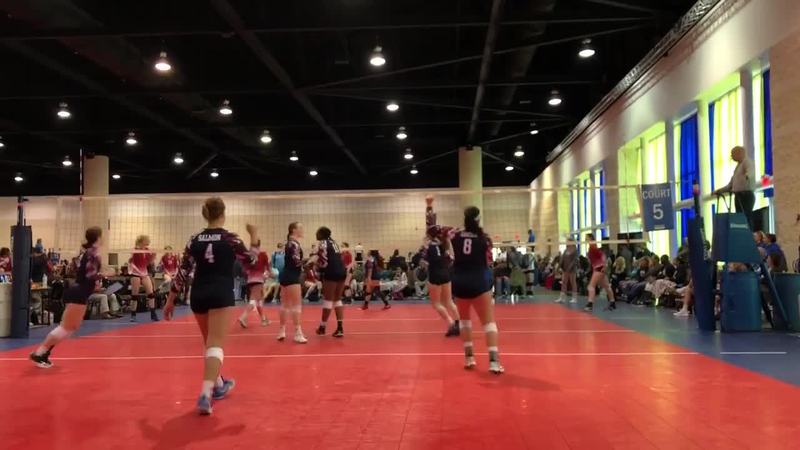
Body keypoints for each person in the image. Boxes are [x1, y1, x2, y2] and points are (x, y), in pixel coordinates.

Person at [164, 197, 258, 415]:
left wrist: (170, 299)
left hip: (198, 294)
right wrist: (254, 236)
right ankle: (205, 394)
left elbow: (183, 272)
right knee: (215, 344)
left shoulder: (194, 239)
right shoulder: (230, 238)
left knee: (209, 343)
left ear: (205, 214)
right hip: (221, 293)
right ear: (223, 214)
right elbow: (252, 262)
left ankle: (218, 384)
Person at [427, 197, 503, 374]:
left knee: (465, 321)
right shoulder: (485, 238)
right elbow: (489, 262)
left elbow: (432, 229)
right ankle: (493, 362)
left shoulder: (455, 233)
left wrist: (429, 207)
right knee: (488, 323)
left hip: (460, 282)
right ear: (478, 219)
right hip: (479, 282)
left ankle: (469, 359)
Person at [30, 227, 106, 368]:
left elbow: (87, 274)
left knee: (71, 327)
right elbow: (90, 274)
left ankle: (43, 353)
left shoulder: (90, 252)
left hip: (80, 292)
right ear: (98, 237)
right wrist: (106, 274)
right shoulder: (93, 253)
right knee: (66, 327)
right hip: (79, 293)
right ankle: (39, 353)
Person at [418, 217, 460, 336]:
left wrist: (424, 262)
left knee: (436, 303)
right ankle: (459, 323)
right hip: (446, 274)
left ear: (429, 235)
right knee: (449, 301)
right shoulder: (443, 244)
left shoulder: (430, 247)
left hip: (435, 276)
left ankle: (451, 323)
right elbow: (450, 258)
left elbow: (426, 262)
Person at [308, 227, 347, 338]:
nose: (316, 234)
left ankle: (322, 327)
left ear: (321, 234)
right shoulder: (334, 243)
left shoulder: (323, 243)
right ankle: (340, 328)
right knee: (337, 299)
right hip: (341, 271)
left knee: (328, 300)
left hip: (331, 272)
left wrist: (314, 264)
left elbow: (324, 263)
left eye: (317, 232)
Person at [277, 222, 307, 343]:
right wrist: (310, 261)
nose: (302, 230)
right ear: (294, 230)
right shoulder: (293, 244)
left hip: (285, 275)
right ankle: (297, 333)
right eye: (300, 228)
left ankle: (282, 331)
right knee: (296, 305)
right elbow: (296, 262)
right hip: (292, 276)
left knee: (284, 305)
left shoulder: (289, 243)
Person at [714, 145, 756, 229]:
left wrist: (747, 176)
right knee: (740, 219)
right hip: (738, 196)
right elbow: (731, 185)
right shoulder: (737, 167)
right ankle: (742, 234)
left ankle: (749, 234)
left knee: (746, 218)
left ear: (739, 153)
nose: (731, 156)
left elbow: (750, 172)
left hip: (745, 195)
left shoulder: (747, 162)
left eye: (732, 154)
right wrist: (719, 191)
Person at [238, 247, 270, 328]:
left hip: (250, 280)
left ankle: (263, 319)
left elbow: (244, 269)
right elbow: (267, 267)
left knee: (258, 300)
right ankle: (243, 317)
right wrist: (268, 274)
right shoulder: (262, 254)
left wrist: (249, 273)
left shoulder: (248, 255)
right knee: (254, 300)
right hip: (258, 279)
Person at [128, 235, 158, 322]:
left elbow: (148, 262)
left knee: (151, 294)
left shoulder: (147, 250)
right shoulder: (135, 249)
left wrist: (153, 256)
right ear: (142, 241)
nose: (148, 242)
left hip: (144, 273)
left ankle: (153, 314)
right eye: (146, 240)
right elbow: (131, 260)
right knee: (135, 295)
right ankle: (133, 315)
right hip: (135, 274)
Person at [584, 233, 616, 312]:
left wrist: (604, 265)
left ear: (590, 238)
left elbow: (602, 255)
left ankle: (590, 304)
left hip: (599, 268)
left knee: (591, 286)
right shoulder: (591, 246)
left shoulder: (593, 246)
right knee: (607, 286)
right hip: (599, 268)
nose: (585, 239)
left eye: (587, 238)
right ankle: (612, 302)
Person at [556, 238, 578, 304]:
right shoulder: (566, 250)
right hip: (565, 269)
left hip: (572, 269)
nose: (566, 242)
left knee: (573, 282)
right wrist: (558, 267)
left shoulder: (575, 250)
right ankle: (562, 298)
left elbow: (574, 260)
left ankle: (574, 298)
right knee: (564, 282)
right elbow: (562, 259)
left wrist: (569, 268)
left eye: (568, 241)